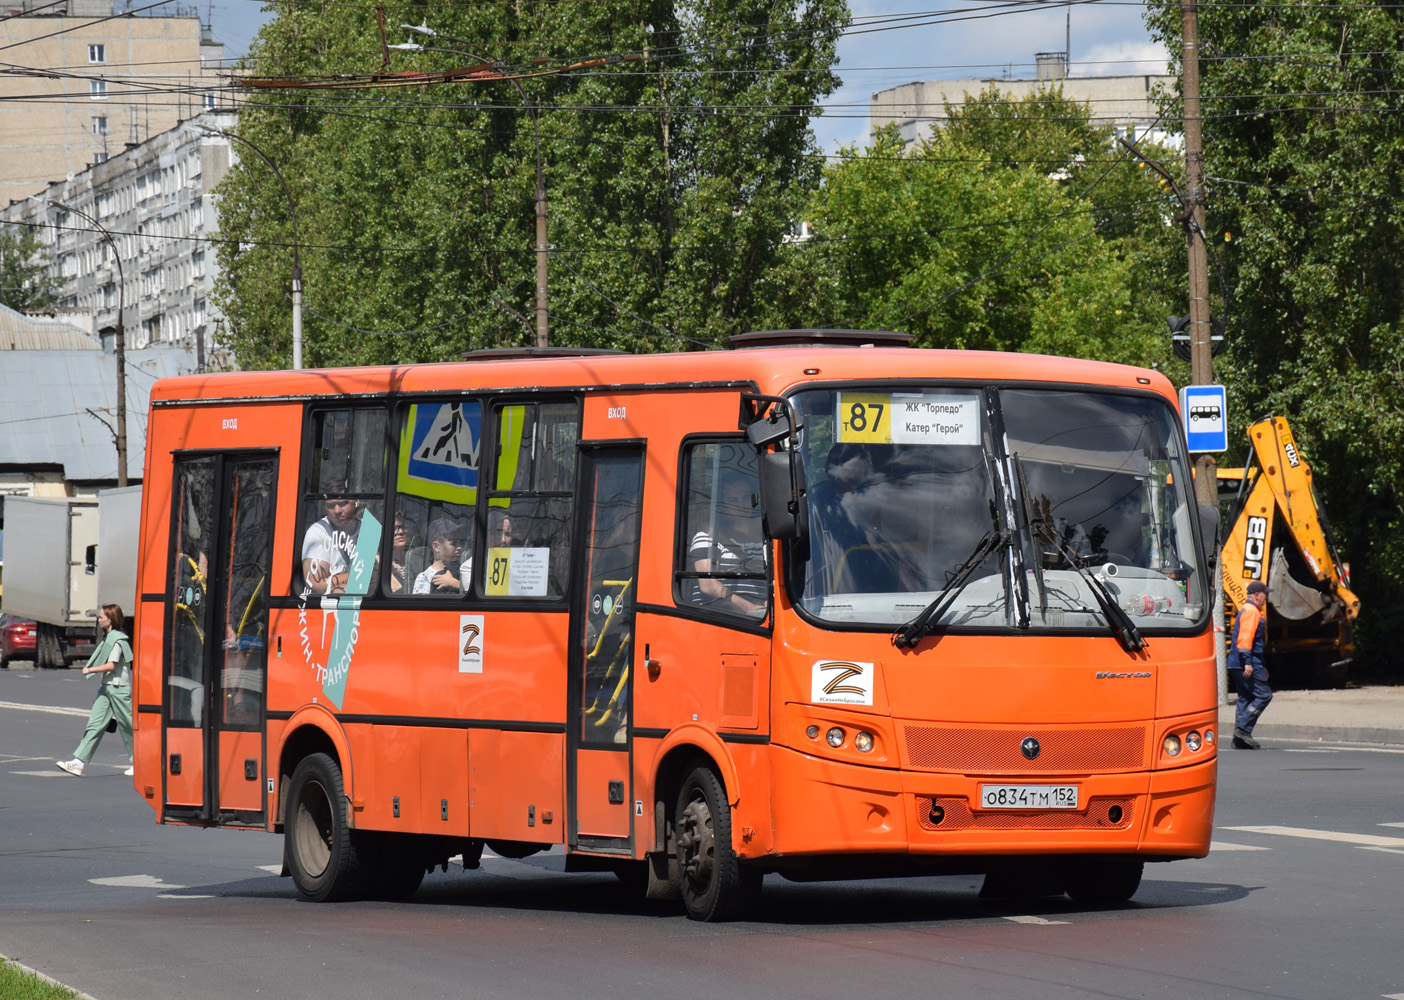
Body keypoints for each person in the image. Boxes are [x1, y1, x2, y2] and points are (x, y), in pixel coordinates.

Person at [56, 605, 134, 777]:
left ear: (111, 619)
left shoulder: (118, 640)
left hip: (119, 688)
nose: (99, 620)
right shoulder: (109, 638)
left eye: (101, 617)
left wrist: (90, 670)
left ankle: (140, 762)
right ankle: (78, 763)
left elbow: (112, 665)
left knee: (128, 726)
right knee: (94, 724)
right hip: (107, 688)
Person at [689, 471, 767, 616]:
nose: (741, 505)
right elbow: (707, 585)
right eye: (733, 500)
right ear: (722, 505)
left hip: (760, 620)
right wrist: (748, 607)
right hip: (720, 622)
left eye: (745, 498)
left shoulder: (765, 543)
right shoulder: (707, 538)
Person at [1230, 580, 1273, 749]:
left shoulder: (1248, 610)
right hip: (1245, 662)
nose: (1267, 598)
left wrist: (1260, 664)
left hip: (1236, 662)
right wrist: (1249, 663)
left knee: (1245, 698)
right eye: (1265, 594)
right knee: (1264, 695)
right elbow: (1245, 640)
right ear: (1256, 595)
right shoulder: (1252, 612)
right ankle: (1242, 729)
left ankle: (1239, 739)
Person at [302, 492, 366, 595]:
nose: (337, 511)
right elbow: (315, 584)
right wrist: (355, 576)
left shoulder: (369, 529)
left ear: (356, 502)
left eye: (342, 504)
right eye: (330, 506)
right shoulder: (318, 532)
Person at [413, 517, 468, 594]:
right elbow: (422, 604)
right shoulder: (424, 578)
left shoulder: (463, 571)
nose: (459, 547)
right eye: (453, 543)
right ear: (436, 546)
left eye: (460, 542)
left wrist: (456, 584)